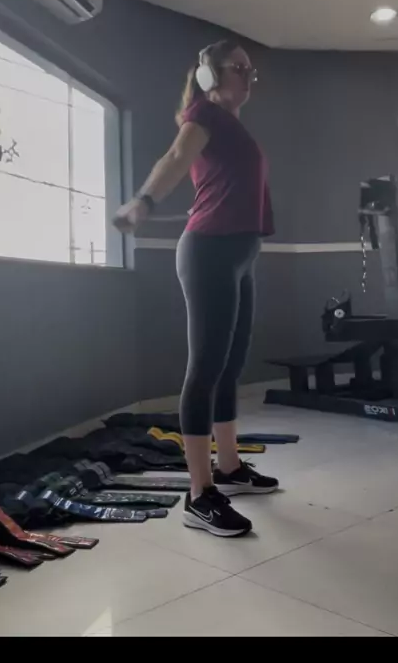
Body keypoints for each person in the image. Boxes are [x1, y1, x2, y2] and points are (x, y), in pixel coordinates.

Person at [113, 40, 278, 537]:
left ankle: (228, 468)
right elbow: (176, 155)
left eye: (251, 70)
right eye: (238, 67)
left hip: (240, 255)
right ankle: (199, 495)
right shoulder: (203, 113)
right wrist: (143, 201)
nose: (248, 76)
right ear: (209, 74)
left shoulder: (232, 125)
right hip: (210, 251)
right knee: (205, 368)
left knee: (230, 366)